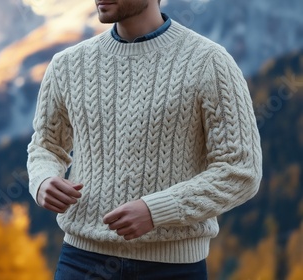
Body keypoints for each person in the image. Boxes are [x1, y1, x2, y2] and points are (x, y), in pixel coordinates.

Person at [27, 0, 262, 278]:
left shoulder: (210, 63)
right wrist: (42, 179)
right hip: (81, 262)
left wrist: (158, 210)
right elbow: (46, 146)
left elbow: (241, 170)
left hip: (173, 268)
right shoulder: (66, 65)